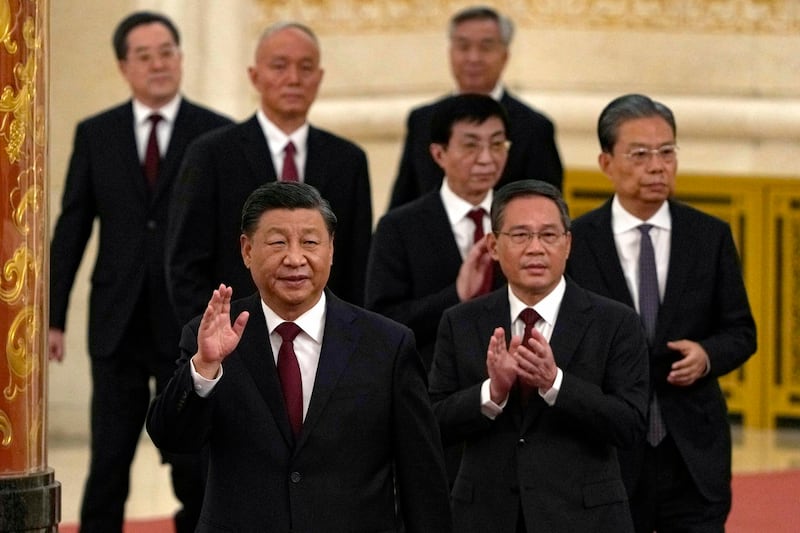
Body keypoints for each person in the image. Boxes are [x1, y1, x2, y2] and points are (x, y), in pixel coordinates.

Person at [147, 181, 452, 532]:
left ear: (331, 249)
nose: (295, 258)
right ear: (247, 250)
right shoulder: (211, 335)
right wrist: (204, 368)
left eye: (309, 242)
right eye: (277, 243)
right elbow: (172, 439)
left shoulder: (387, 344)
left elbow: (422, 478)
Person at [48, 11, 233, 533]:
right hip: (118, 321)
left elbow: (227, 233)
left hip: (188, 324)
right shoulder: (96, 134)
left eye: (167, 52)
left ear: (180, 57)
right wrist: (54, 317)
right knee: (108, 458)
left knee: (193, 462)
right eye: (145, 56)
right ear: (124, 67)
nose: (158, 65)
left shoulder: (215, 133)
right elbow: (73, 227)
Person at [566, 94, 757, 532]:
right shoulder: (577, 241)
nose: (657, 166)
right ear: (606, 162)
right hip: (607, 453)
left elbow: (741, 331)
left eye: (667, 152)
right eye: (639, 154)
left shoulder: (709, 236)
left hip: (691, 453)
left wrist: (707, 356)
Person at [429, 179, 649, 532]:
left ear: (568, 244)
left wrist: (555, 384)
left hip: (584, 518)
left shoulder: (615, 322)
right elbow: (433, 423)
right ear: (494, 246)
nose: (535, 248)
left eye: (548, 236)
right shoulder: (461, 322)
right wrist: (492, 393)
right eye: (520, 236)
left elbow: (631, 426)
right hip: (486, 516)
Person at [165, 21, 372, 325]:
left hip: (325, 343)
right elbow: (185, 264)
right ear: (254, 76)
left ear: (319, 77)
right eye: (279, 66)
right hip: (234, 336)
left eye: (305, 67)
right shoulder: (212, 154)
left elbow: (357, 265)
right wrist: (209, 333)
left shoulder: (348, 160)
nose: (293, 78)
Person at [366, 93, 508, 370]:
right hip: (427, 386)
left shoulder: (522, 221)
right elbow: (381, 322)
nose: (487, 159)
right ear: (439, 154)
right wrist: (456, 294)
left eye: (497, 144)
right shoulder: (399, 228)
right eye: (471, 146)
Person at [388, 5, 562, 210]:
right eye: (463, 47)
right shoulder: (422, 120)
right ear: (450, 53)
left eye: (485, 47)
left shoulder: (535, 127)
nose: (473, 58)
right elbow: (402, 203)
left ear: (505, 56)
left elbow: (548, 211)